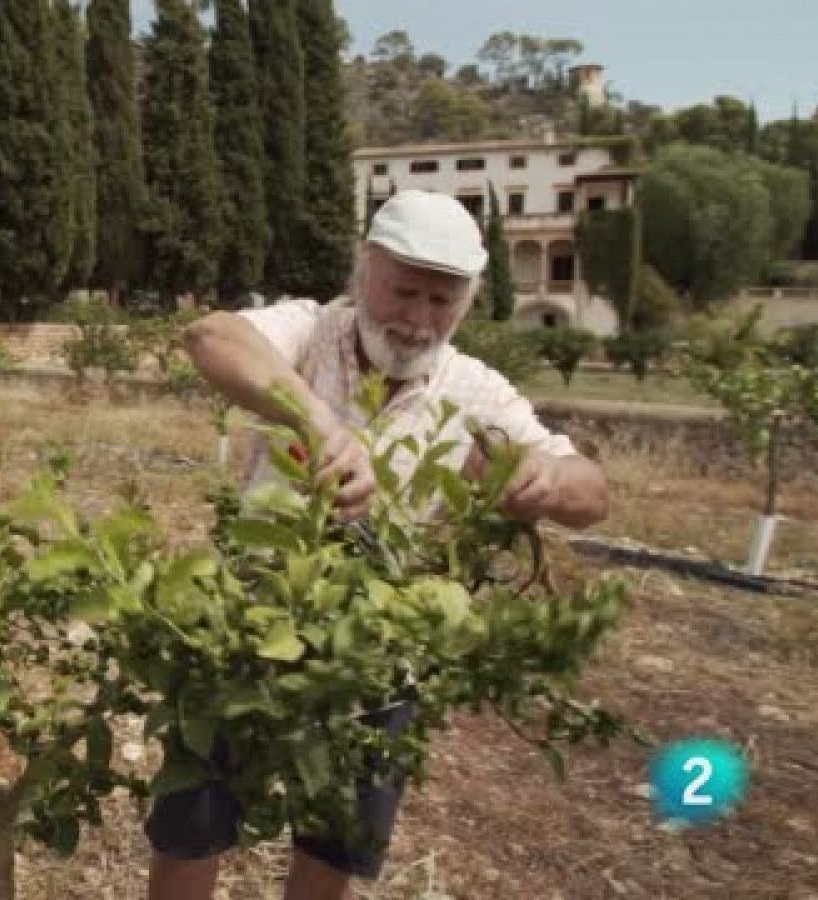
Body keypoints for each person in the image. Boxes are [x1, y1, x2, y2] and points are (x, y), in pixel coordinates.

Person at [149, 190, 609, 900]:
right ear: (365, 271)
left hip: (377, 654)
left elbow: (592, 492)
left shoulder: (474, 391)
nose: (420, 319)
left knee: (336, 842)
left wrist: (547, 479)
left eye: (442, 300)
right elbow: (210, 337)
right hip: (246, 627)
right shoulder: (310, 330)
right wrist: (321, 425)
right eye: (405, 291)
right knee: (194, 823)